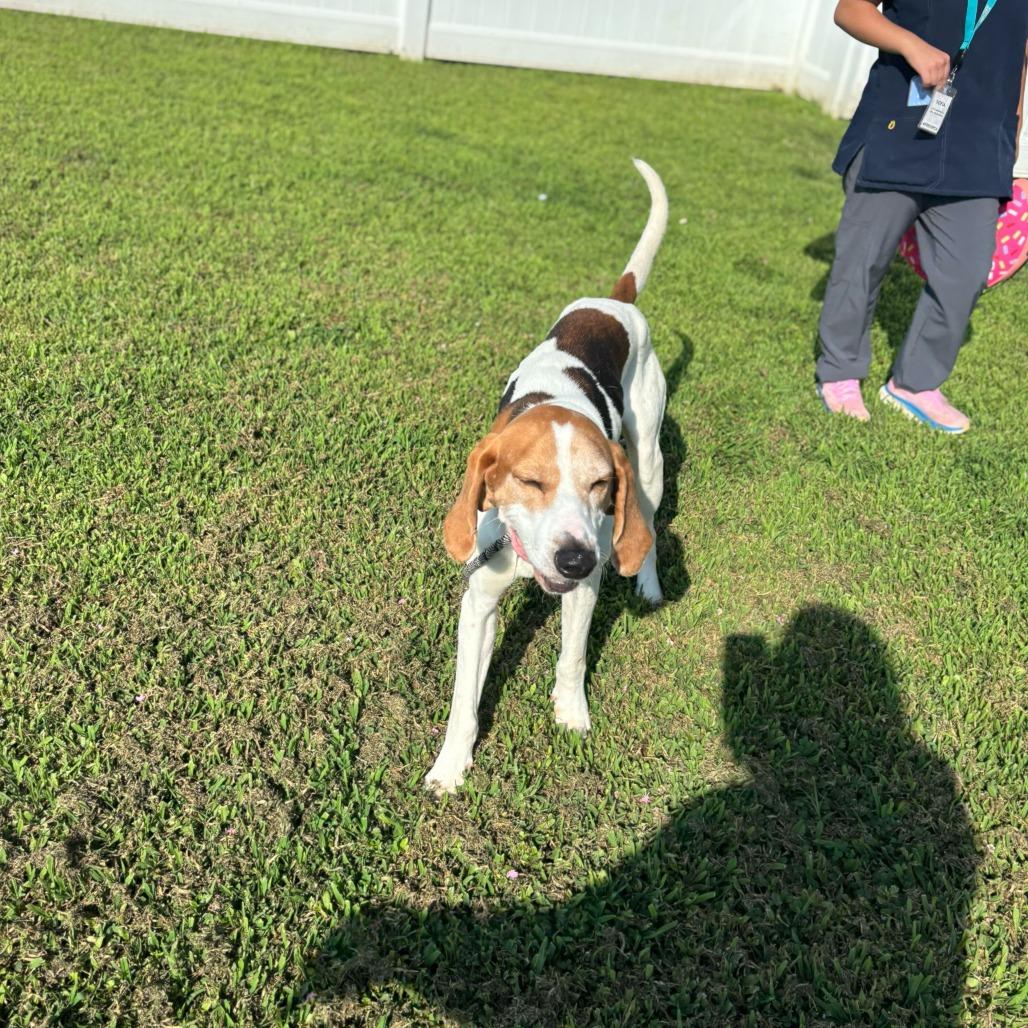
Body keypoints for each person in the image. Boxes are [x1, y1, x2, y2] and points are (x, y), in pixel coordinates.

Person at [816, 0, 1028, 433]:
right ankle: (839, 371)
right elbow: (850, 10)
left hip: (980, 144)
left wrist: (1015, 129)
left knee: (965, 272)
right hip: (899, 128)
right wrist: (909, 44)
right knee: (861, 262)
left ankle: (915, 384)